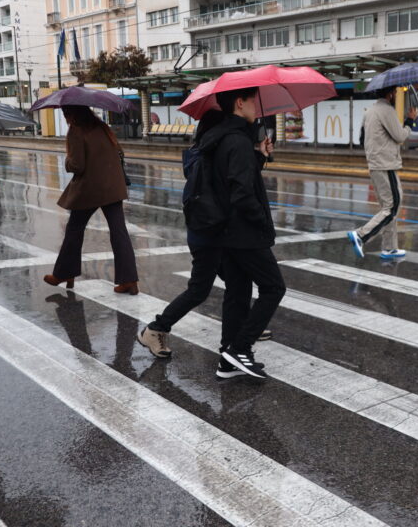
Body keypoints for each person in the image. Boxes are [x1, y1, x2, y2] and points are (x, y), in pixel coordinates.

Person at [141, 88, 284, 379]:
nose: (256, 106)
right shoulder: (237, 141)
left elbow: (230, 180)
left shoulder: (217, 139)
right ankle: (238, 346)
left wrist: (258, 156)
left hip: (219, 230)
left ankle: (230, 357)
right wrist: (262, 224)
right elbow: (242, 193)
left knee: (238, 289)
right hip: (232, 232)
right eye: (253, 100)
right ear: (239, 103)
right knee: (270, 287)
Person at [43, 105, 138, 294]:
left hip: (90, 190)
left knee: (74, 229)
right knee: (119, 231)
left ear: (73, 114)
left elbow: (77, 165)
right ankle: (130, 280)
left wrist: (67, 161)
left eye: (66, 114)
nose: (66, 118)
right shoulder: (102, 127)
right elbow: (118, 152)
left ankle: (64, 273)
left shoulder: (76, 131)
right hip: (113, 187)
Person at [347, 87, 418, 260]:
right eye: (395, 92)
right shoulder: (387, 110)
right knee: (392, 207)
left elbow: (362, 139)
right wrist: (410, 121)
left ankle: (389, 247)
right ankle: (361, 235)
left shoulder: (369, 111)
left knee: (388, 207)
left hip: (375, 164)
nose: (396, 95)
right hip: (386, 164)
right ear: (390, 94)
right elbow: (400, 136)